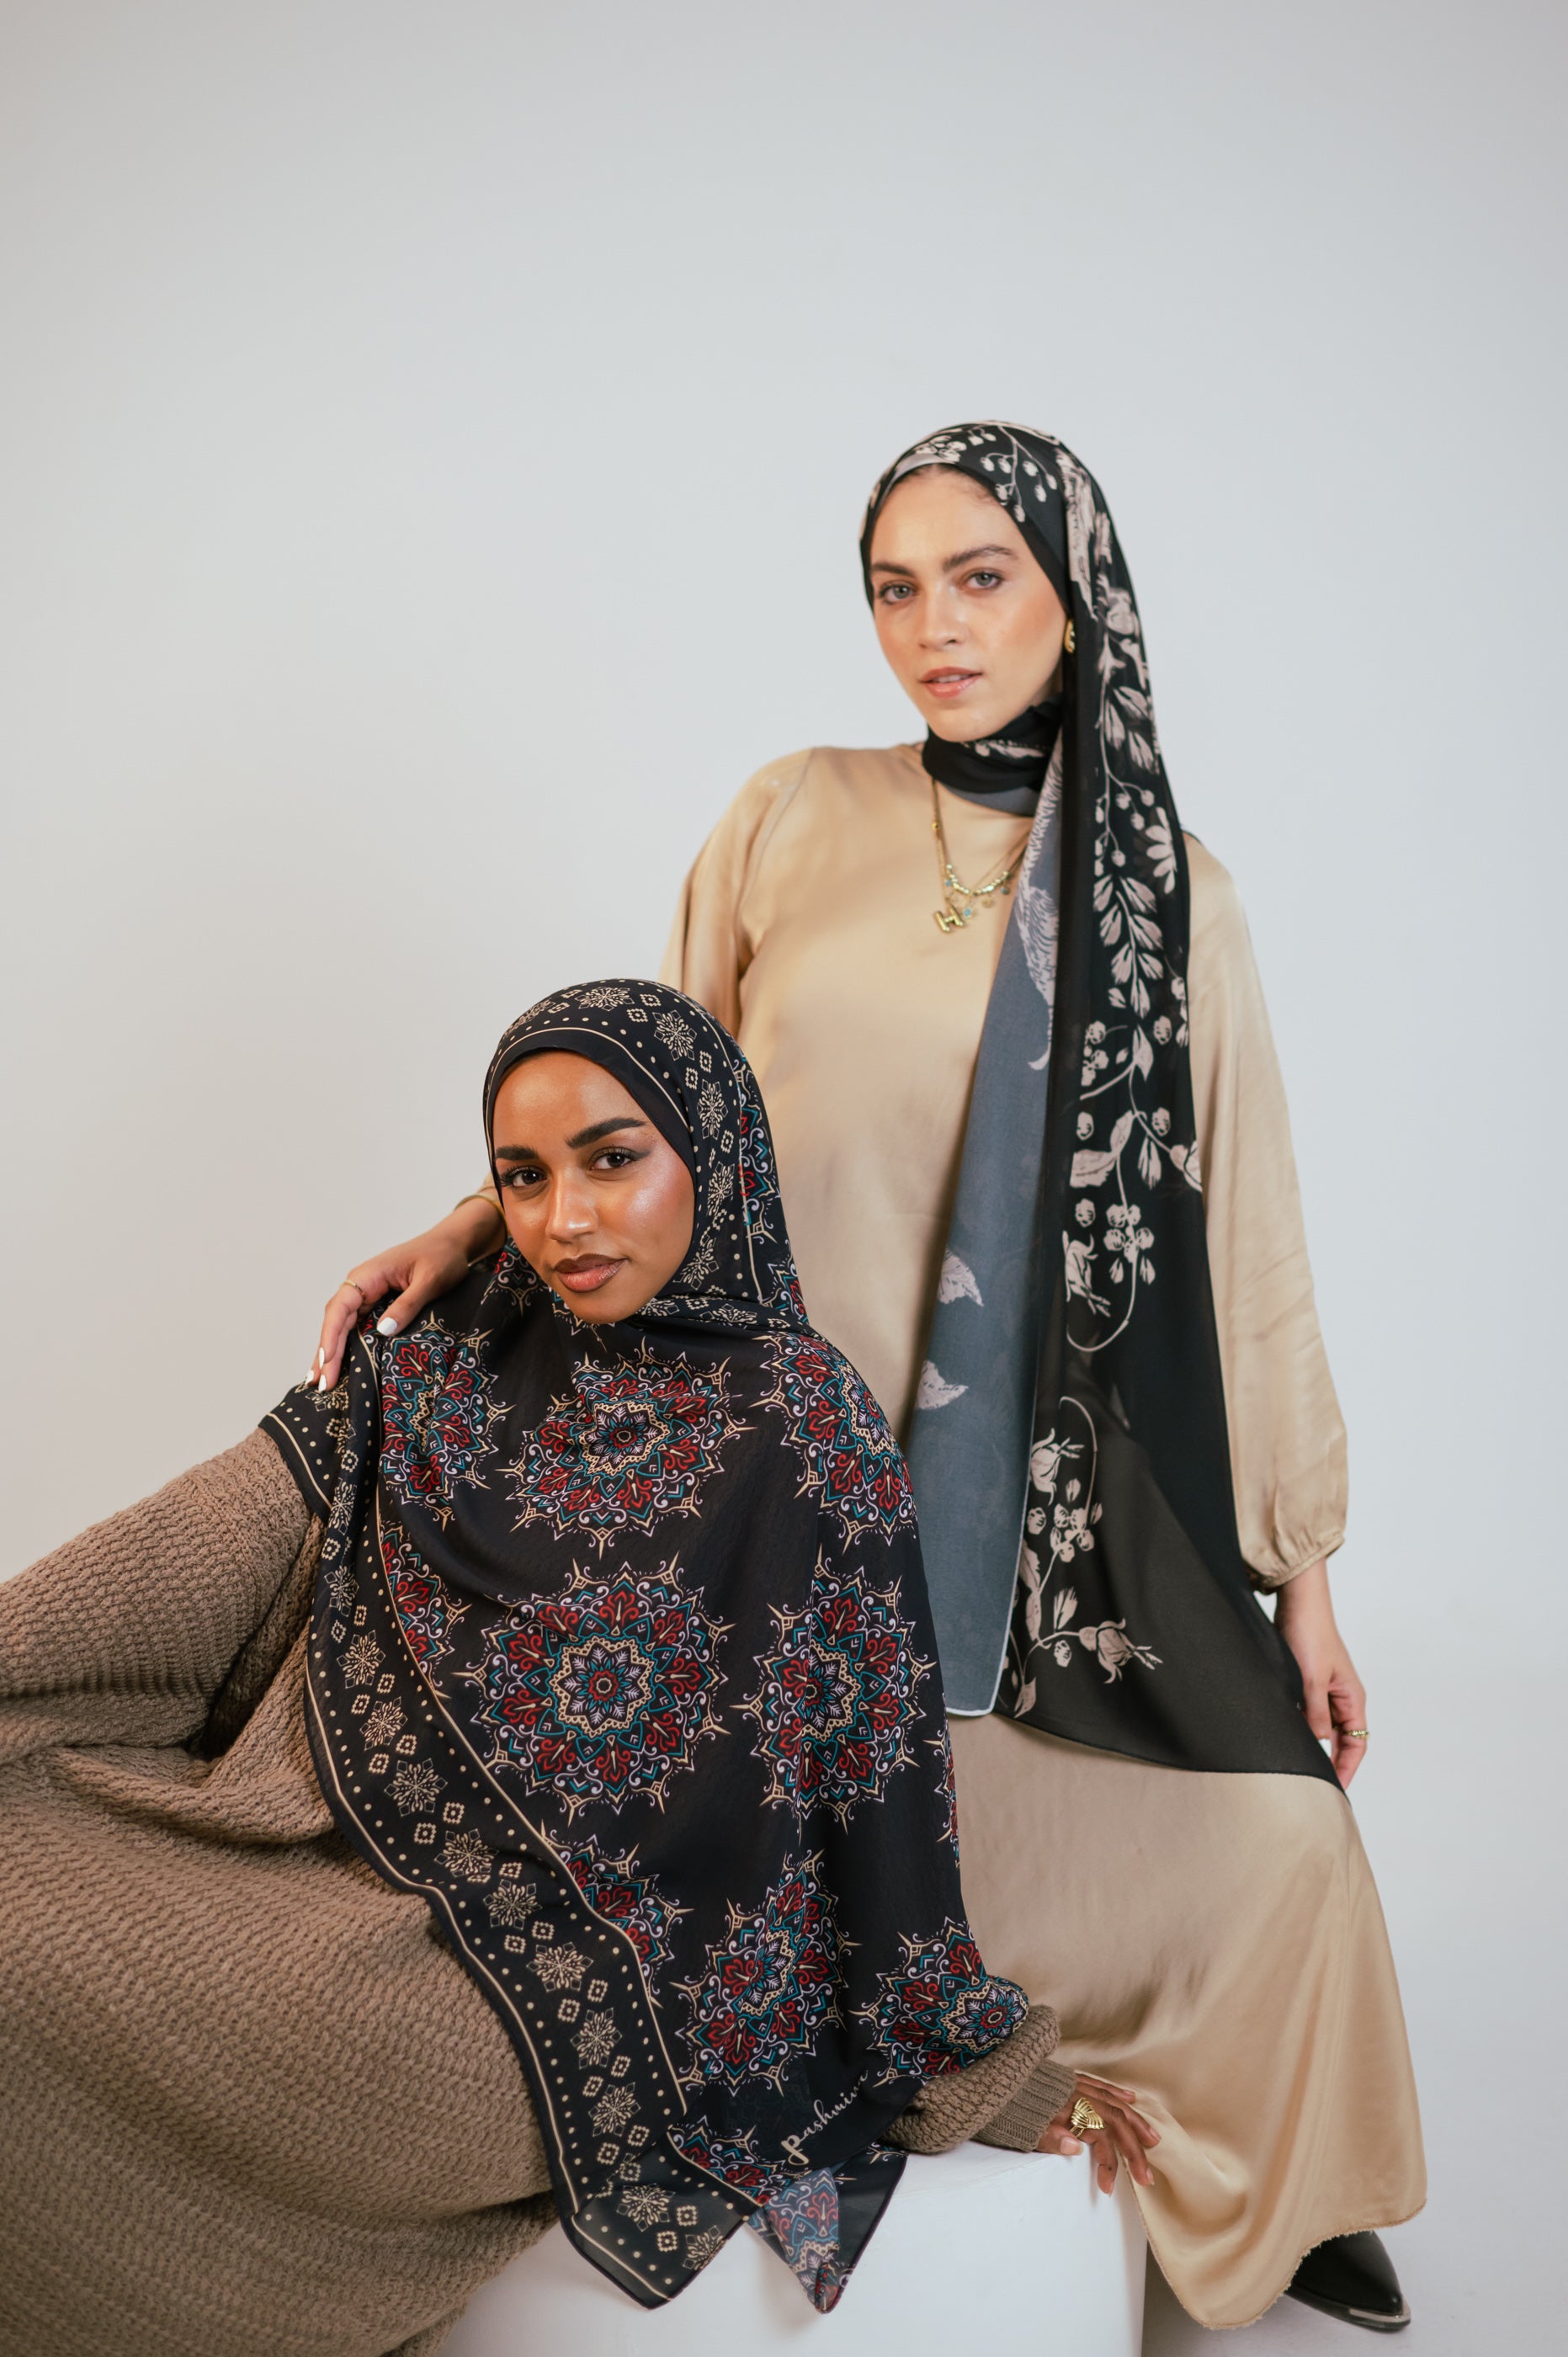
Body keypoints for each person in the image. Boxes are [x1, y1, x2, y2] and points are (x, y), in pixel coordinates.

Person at [316, 426, 1424, 2334]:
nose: (932, 627)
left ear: (1075, 594)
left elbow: (1246, 1239)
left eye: (977, 575)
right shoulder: (788, 813)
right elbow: (634, 1110)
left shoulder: (1180, 907)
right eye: (894, 587)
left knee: (1278, 1830)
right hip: (733, 1481)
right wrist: (469, 1230)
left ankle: (1278, 2158)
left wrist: (1299, 1573)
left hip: (1014, 1537)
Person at [1, 981, 1148, 2357]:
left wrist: (977, 2064)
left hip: (551, 2016)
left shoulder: (803, 1432)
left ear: (710, 1155)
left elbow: (879, 1784)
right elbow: (186, 1560)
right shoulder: (444, 1365)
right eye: (522, 1179)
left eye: (614, 1160)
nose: (566, 1220)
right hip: (305, 1864)